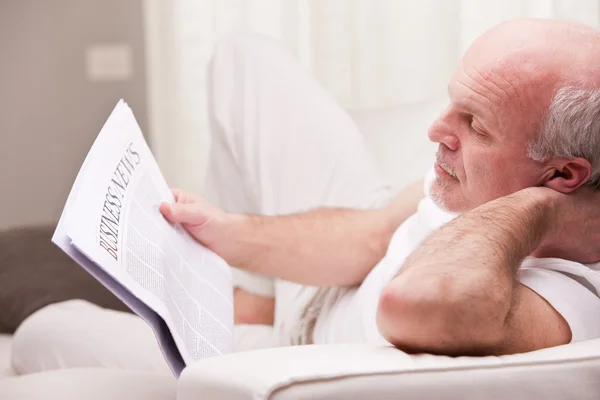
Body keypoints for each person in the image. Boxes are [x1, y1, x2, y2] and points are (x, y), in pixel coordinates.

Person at [10, 18, 600, 375]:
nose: (436, 129)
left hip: (295, 349)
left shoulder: (577, 292)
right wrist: (227, 230)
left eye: (473, 123)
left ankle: (249, 313)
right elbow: (373, 236)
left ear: (563, 177)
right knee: (243, 59)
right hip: (328, 285)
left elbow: (421, 303)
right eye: (452, 101)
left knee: (45, 330)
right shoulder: (477, 175)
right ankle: (252, 298)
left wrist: (541, 209)